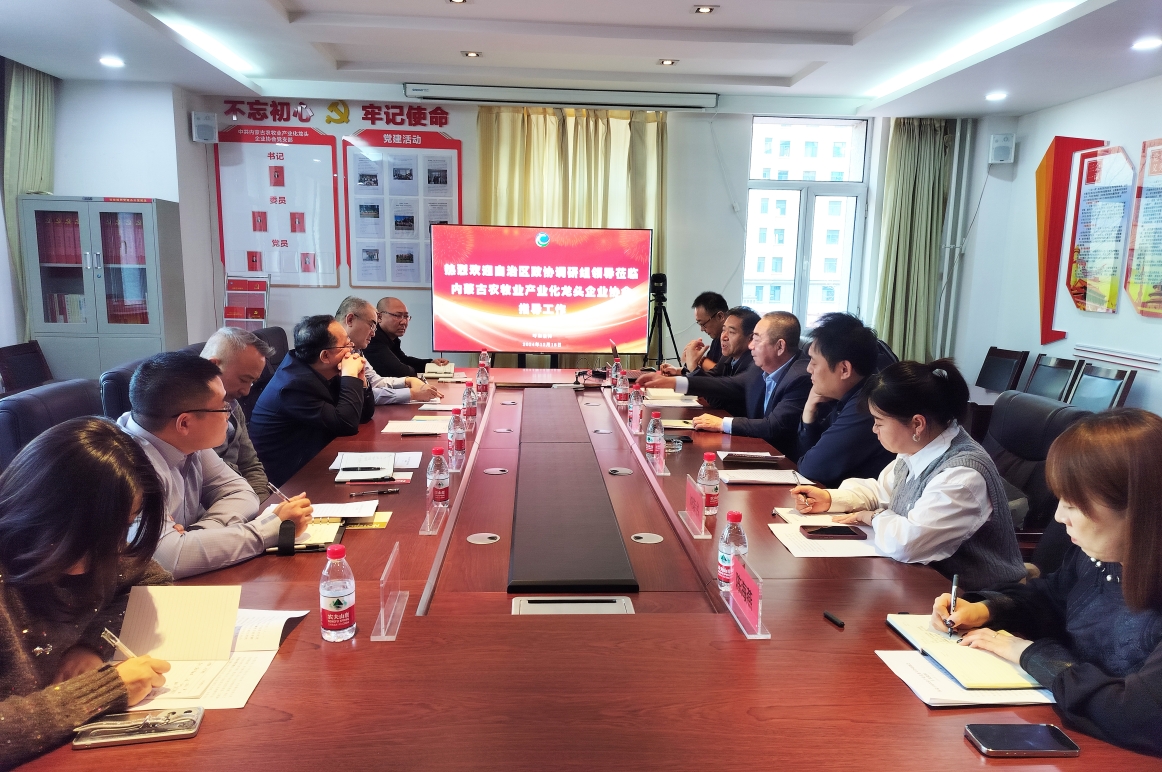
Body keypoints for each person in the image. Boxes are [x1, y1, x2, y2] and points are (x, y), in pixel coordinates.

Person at [934, 409, 1162, 756]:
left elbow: (1137, 716)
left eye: (1074, 504)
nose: (1059, 516)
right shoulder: (1098, 556)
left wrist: (1029, 654)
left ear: (1140, 508)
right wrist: (988, 609)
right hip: (1068, 729)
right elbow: (1052, 598)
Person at [0, 418, 172, 768]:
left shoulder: (95, 551)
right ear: (34, 509)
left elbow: (153, 580)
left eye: (123, 527)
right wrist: (106, 690)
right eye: (87, 531)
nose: (112, 549)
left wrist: (92, 644)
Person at [791, 360, 1025, 590]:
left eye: (879, 422)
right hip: (921, 582)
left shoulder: (962, 476)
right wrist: (830, 499)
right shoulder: (918, 448)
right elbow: (883, 491)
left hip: (977, 598)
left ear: (917, 424)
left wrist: (873, 517)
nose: (874, 429)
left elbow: (906, 544)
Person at [119, 352, 314, 579]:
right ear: (184, 423)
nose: (229, 413)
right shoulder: (126, 464)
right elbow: (169, 560)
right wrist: (269, 529)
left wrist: (199, 534)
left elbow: (241, 492)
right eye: (222, 406)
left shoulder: (184, 440)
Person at [641, 311, 811, 456]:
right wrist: (673, 382)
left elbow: (774, 426)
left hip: (786, 464)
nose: (750, 346)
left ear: (780, 346)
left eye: (757, 339)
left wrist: (722, 423)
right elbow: (725, 385)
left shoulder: (801, 377)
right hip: (757, 449)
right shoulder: (759, 368)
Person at [250, 315, 377, 485]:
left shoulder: (321, 368)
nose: (351, 350)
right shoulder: (294, 386)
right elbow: (346, 424)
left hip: (313, 459)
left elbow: (364, 415)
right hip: (288, 480)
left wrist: (360, 380)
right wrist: (350, 376)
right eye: (347, 345)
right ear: (325, 356)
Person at [795, 313, 895, 487]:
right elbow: (807, 456)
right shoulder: (845, 395)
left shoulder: (867, 405)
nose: (809, 369)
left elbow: (811, 468)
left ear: (844, 369)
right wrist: (809, 412)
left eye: (814, 362)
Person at [636, 306, 758, 414]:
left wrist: (690, 369)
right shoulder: (728, 356)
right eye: (723, 330)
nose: (724, 336)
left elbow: (717, 398)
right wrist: (686, 371)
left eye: (731, 332)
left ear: (751, 338)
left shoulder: (753, 365)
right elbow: (711, 379)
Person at [201, 326, 274, 498]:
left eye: (252, 382)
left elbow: (250, 465)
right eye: (243, 379)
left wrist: (263, 505)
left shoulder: (231, 404)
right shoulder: (185, 414)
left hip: (242, 500)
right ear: (212, 366)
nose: (246, 391)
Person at [335, 296, 440, 404]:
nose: (373, 333)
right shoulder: (331, 350)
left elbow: (374, 382)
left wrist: (407, 381)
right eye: (371, 325)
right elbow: (360, 395)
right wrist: (411, 393)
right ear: (350, 319)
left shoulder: (356, 349)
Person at [363, 296, 450, 378]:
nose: (404, 322)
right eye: (398, 316)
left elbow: (403, 360)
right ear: (379, 317)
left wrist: (430, 364)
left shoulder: (392, 338)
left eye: (406, 316)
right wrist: (414, 371)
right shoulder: (373, 338)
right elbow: (399, 372)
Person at [658, 291, 728, 376]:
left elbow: (722, 375)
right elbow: (709, 373)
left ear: (720, 316)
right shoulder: (717, 339)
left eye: (703, 324)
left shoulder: (732, 343)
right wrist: (677, 370)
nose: (702, 329)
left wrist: (697, 360)